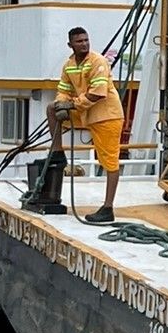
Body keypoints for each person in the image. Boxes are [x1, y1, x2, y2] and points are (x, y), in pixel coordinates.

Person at [47, 27, 124, 223]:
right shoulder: (69, 65)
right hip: (87, 113)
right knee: (51, 109)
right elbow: (63, 89)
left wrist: (71, 104)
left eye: (86, 40)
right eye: (79, 41)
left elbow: (98, 93)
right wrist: (60, 103)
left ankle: (108, 208)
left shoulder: (98, 61)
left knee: (110, 162)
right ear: (70, 45)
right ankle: (57, 152)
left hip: (107, 116)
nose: (84, 44)